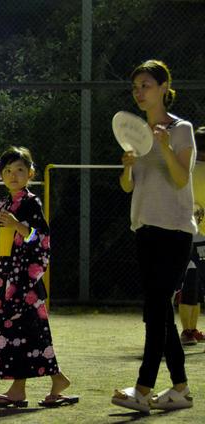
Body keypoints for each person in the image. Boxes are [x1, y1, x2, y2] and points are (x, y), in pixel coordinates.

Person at [112, 60, 196, 412]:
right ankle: (180, 389)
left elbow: (180, 178)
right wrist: (127, 169)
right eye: (135, 87)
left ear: (164, 87)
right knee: (159, 309)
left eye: (145, 85)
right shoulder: (136, 134)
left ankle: (143, 388)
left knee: (156, 308)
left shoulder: (181, 129)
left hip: (175, 230)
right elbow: (128, 186)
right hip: (144, 228)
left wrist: (162, 146)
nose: (139, 92)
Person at [0, 146, 77, 409]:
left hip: (23, 282)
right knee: (16, 333)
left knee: (30, 333)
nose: (13, 175)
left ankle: (48, 382)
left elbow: (41, 238)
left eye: (20, 170)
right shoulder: (2, 204)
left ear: (30, 173)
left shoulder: (31, 202)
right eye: (7, 170)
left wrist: (17, 225)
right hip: (5, 278)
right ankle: (25, 387)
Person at [178, 127, 205, 346]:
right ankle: (187, 330)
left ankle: (190, 329)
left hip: (187, 234)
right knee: (191, 285)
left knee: (191, 285)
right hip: (195, 235)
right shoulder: (192, 171)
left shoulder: (185, 170)